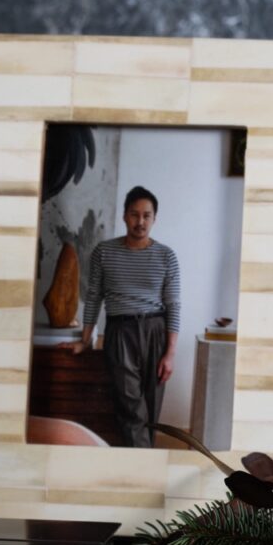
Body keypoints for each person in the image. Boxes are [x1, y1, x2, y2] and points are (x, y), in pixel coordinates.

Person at [67, 186, 180, 448]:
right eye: (134, 214)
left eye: (146, 215)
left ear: (154, 218)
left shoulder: (166, 256)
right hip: (120, 332)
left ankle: (142, 468)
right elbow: (94, 297)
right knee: (132, 409)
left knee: (151, 412)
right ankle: (144, 467)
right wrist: (85, 340)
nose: (140, 222)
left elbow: (174, 305)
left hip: (156, 331)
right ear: (125, 216)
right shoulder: (104, 252)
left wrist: (170, 353)